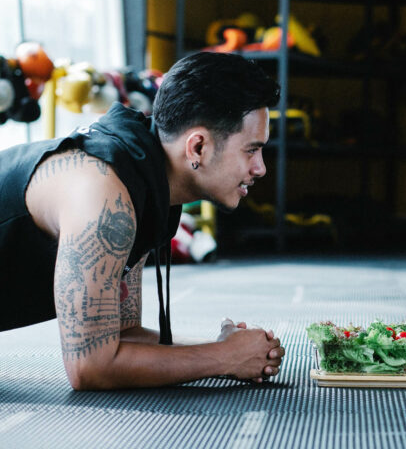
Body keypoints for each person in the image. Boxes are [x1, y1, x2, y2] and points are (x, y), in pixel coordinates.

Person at [0, 52, 286, 390]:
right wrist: (225, 358)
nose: (260, 168)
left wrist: (225, 347)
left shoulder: (141, 180)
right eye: (251, 150)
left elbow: (124, 337)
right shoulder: (105, 194)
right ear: (197, 147)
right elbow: (90, 367)